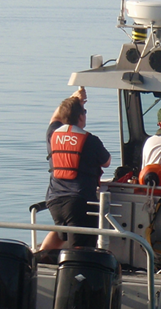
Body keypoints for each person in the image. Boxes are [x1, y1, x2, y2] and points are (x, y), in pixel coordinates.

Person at [40, 87, 111, 250]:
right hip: (79, 201)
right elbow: (106, 162)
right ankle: (76, 272)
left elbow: (55, 117)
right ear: (81, 116)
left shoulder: (53, 134)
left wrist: (73, 98)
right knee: (81, 246)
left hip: (54, 200)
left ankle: (39, 259)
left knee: (60, 231)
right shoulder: (90, 140)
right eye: (84, 112)